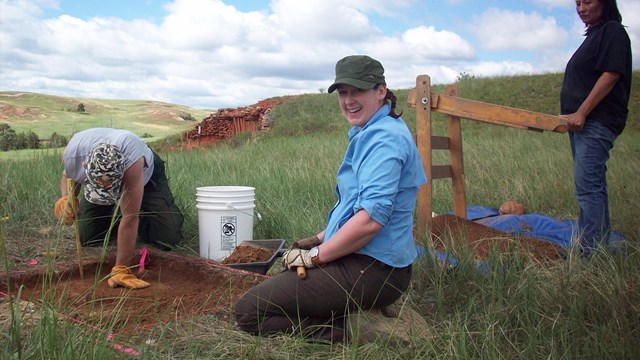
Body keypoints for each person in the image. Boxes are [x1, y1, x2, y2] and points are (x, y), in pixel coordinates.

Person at [234, 55, 427, 342]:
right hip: (365, 261)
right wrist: (319, 237)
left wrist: (315, 257)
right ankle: (353, 309)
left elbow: (370, 221)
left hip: (373, 270)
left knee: (249, 313)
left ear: (381, 91)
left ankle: (353, 330)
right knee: (284, 283)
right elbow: (355, 207)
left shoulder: (385, 140)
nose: (349, 100)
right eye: (343, 92)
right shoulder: (370, 131)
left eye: (357, 91)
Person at [54, 128, 184, 289]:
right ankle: (114, 221)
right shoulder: (73, 154)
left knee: (167, 237)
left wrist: (122, 268)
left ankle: (146, 218)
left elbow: (130, 219)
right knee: (87, 236)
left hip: (144, 173)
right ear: (85, 166)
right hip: (106, 168)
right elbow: (68, 176)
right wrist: (67, 198)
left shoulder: (133, 164)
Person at [559, 0, 632, 255]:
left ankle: (592, 254)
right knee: (588, 186)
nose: (580, 8)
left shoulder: (613, 31)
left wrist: (581, 112)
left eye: (587, 1)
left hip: (595, 121)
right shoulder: (594, 36)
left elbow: (611, 74)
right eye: (577, 3)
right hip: (580, 124)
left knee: (588, 186)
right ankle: (592, 243)